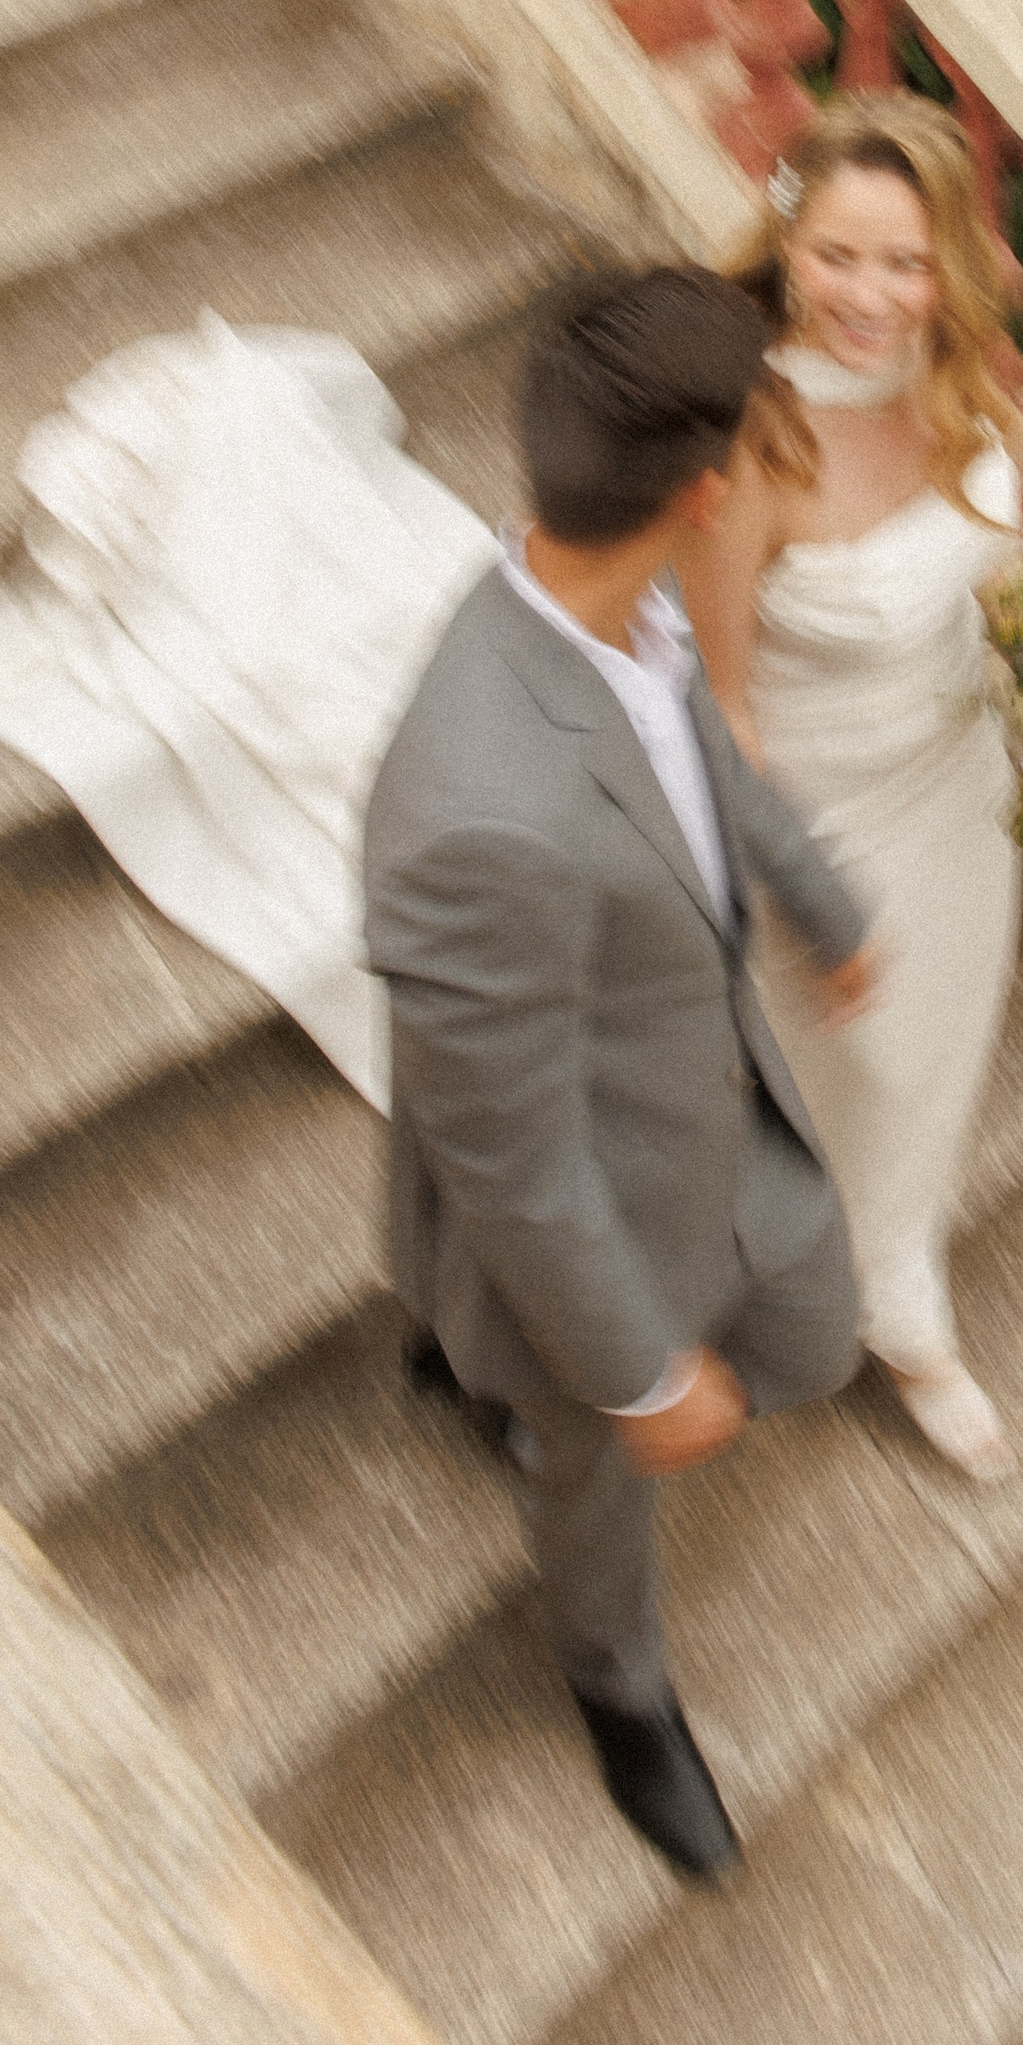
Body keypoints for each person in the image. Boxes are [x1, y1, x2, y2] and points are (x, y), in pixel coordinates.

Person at [363, 264, 875, 1885]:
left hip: (689, 1093)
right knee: (590, 1450)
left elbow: (704, 761)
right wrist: (644, 1374)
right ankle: (619, 1690)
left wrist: (819, 903)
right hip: (590, 1198)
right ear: (709, 492)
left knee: (810, 1320)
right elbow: (511, 1157)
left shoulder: (622, 601)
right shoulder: (472, 814)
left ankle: (467, 1355)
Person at [680, 91, 1023, 1486]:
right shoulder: (748, 435)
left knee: (932, 1059)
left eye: (905, 262)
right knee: (849, 1066)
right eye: (838, 257)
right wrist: (803, 900)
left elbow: (993, 575)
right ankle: (770, 1283)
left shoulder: (961, 386)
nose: (872, 298)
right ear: (784, 244)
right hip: (822, 820)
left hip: (967, 798)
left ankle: (907, 1292)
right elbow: (722, 694)